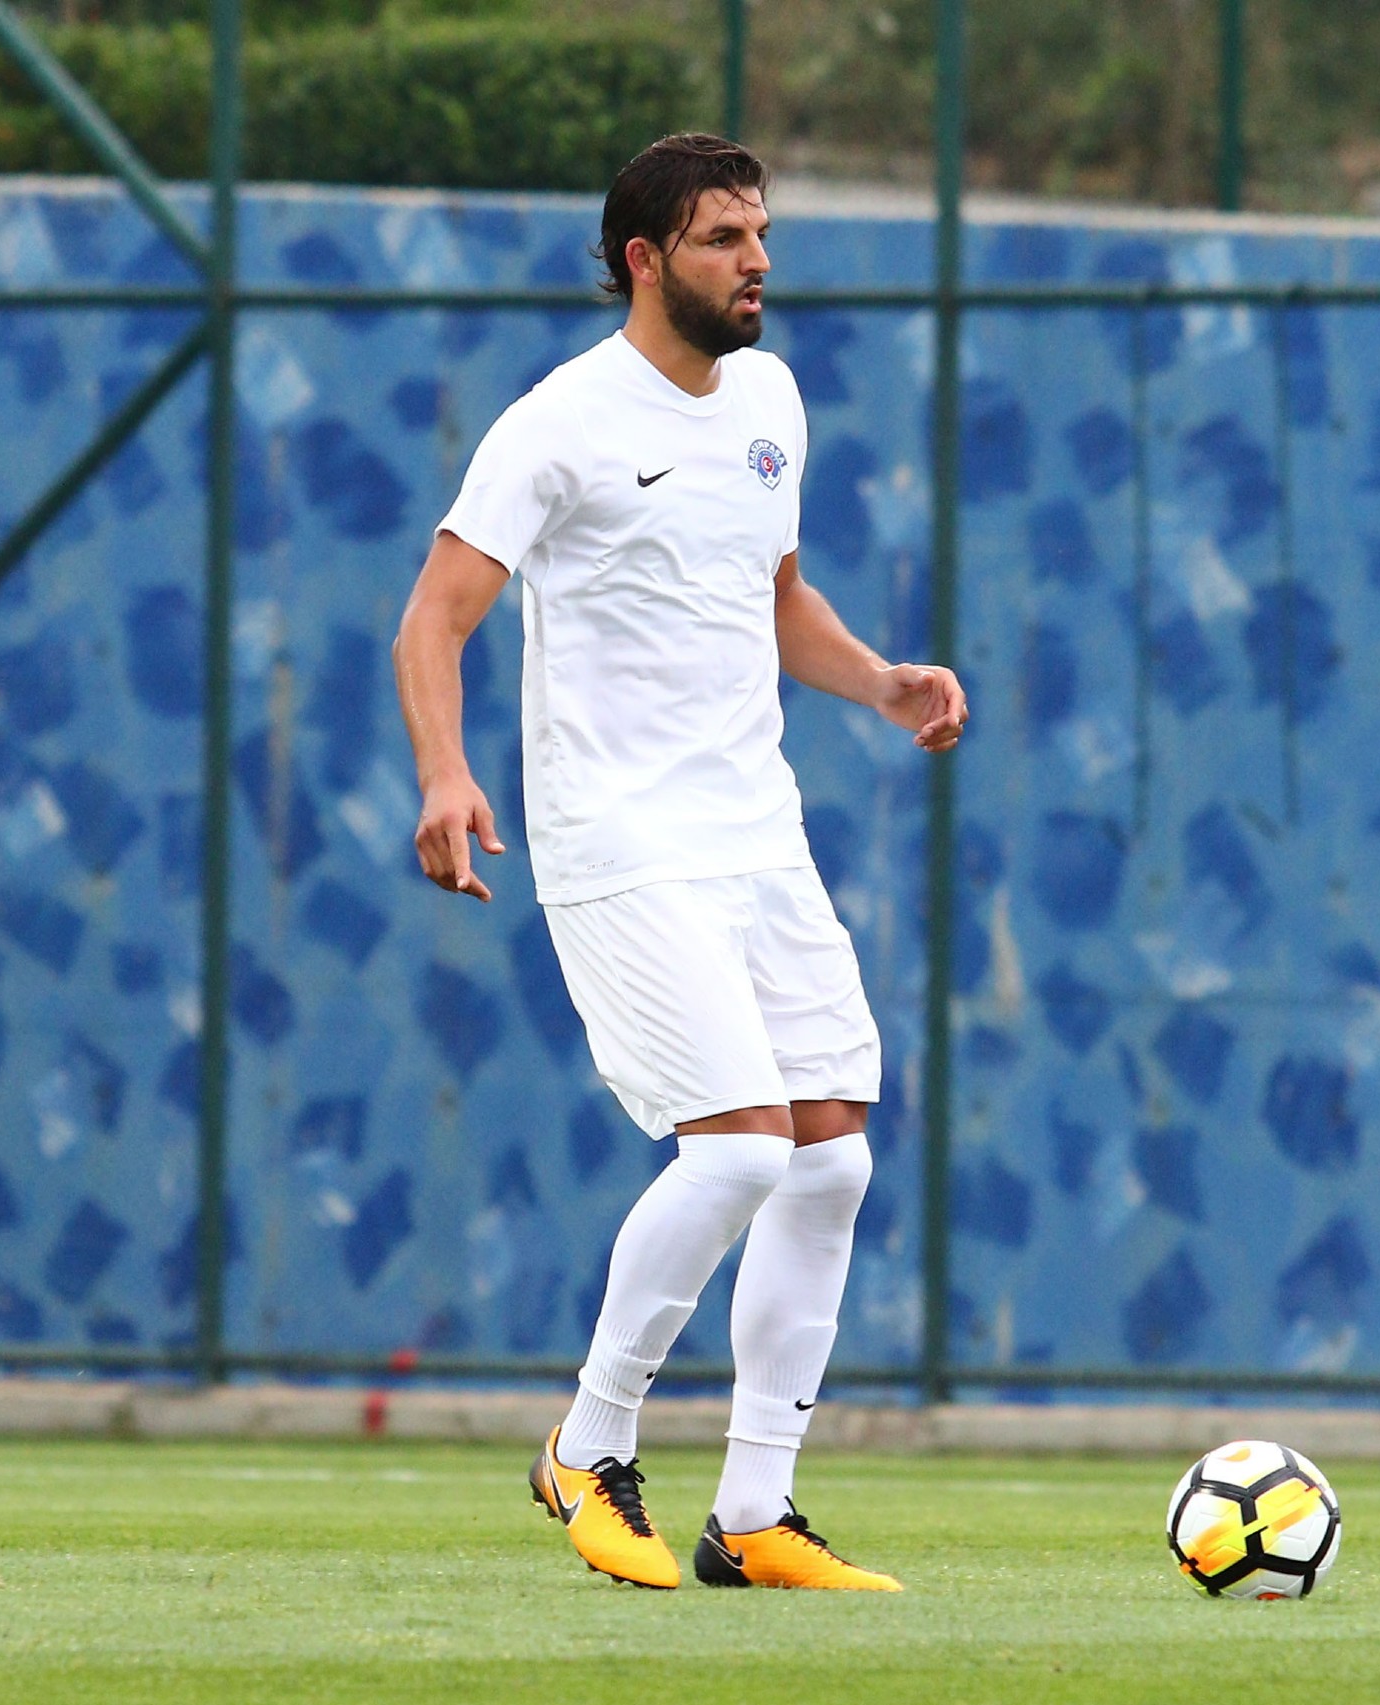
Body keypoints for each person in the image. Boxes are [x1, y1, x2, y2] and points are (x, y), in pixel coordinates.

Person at [393, 134, 967, 1591]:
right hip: (620, 838)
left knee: (830, 1158)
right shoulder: (558, 424)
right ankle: (586, 1447)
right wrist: (448, 773)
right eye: (723, 239)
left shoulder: (771, 400)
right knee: (742, 1149)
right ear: (646, 260)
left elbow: (772, 596)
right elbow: (433, 619)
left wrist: (881, 682)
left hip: (754, 830)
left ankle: (755, 1514)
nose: (757, 261)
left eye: (761, 233)